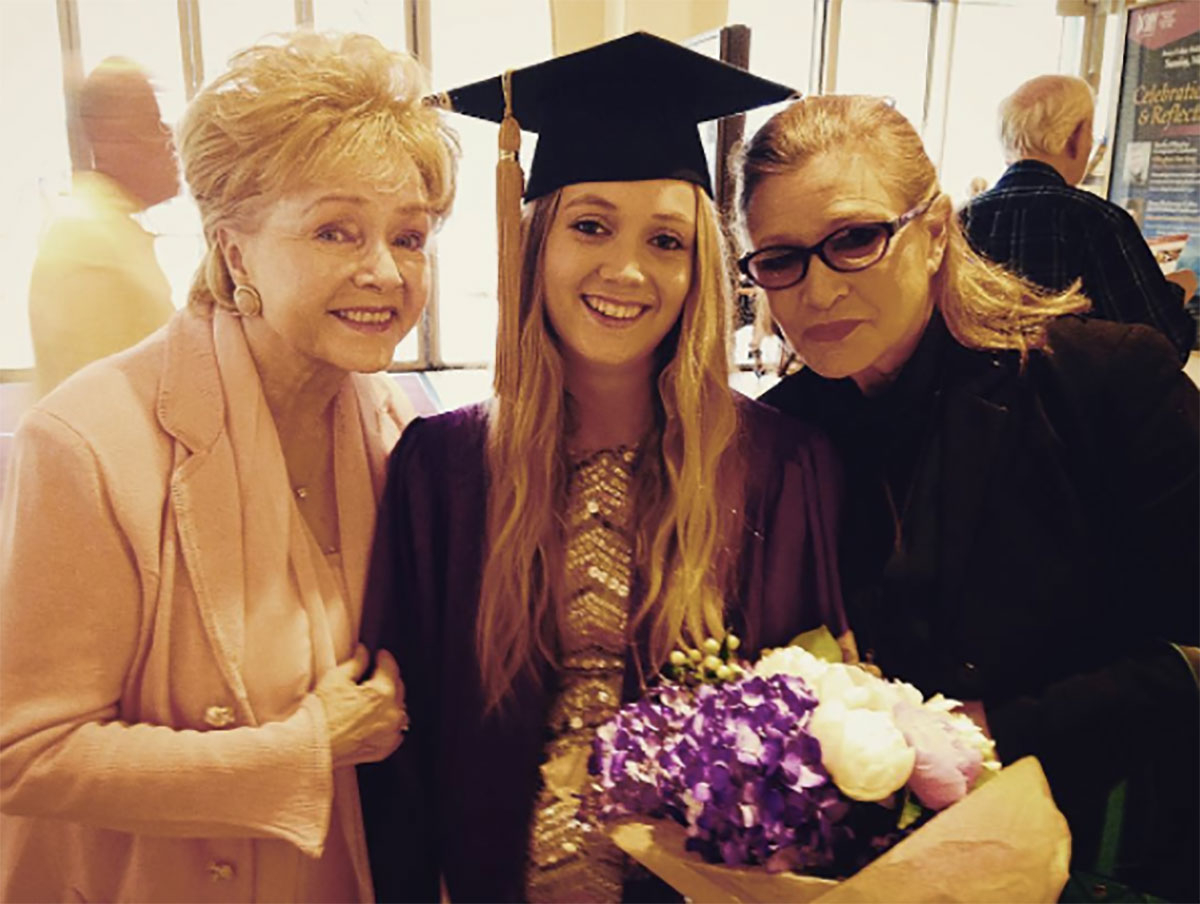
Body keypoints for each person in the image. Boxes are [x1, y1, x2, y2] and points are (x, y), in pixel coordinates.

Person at [358, 32, 848, 903]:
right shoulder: (442, 471)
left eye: (667, 240)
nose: (627, 269)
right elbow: (398, 755)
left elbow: (813, 739)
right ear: (535, 243)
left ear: (700, 267)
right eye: (590, 225)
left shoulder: (782, 468)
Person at [0, 32, 457, 902]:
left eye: (410, 236)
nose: (384, 271)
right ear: (235, 251)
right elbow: (26, 753)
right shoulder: (90, 442)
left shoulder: (400, 433)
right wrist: (303, 749)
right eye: (335, 230)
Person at [735, 94, 1199, 902]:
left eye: (855, 239)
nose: (815, 291)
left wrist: (983, 733)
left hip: (1088, 848)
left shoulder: (1101, 383)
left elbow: (1188, 653)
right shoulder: (780, 435)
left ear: (937, 228)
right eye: (780, 259)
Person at [961, 74, 1197, 361]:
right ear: (1074, 138)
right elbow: (1161, 349)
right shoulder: (1099, 221)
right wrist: (1175, 291)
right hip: (1076, 405)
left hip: (973, 404)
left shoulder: (960, 223)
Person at [27, 57, 181, 399]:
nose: (169, 139)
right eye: (152, 124)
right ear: (109, 139)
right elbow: (103, 400)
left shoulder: (112, 232)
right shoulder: (88, 240)